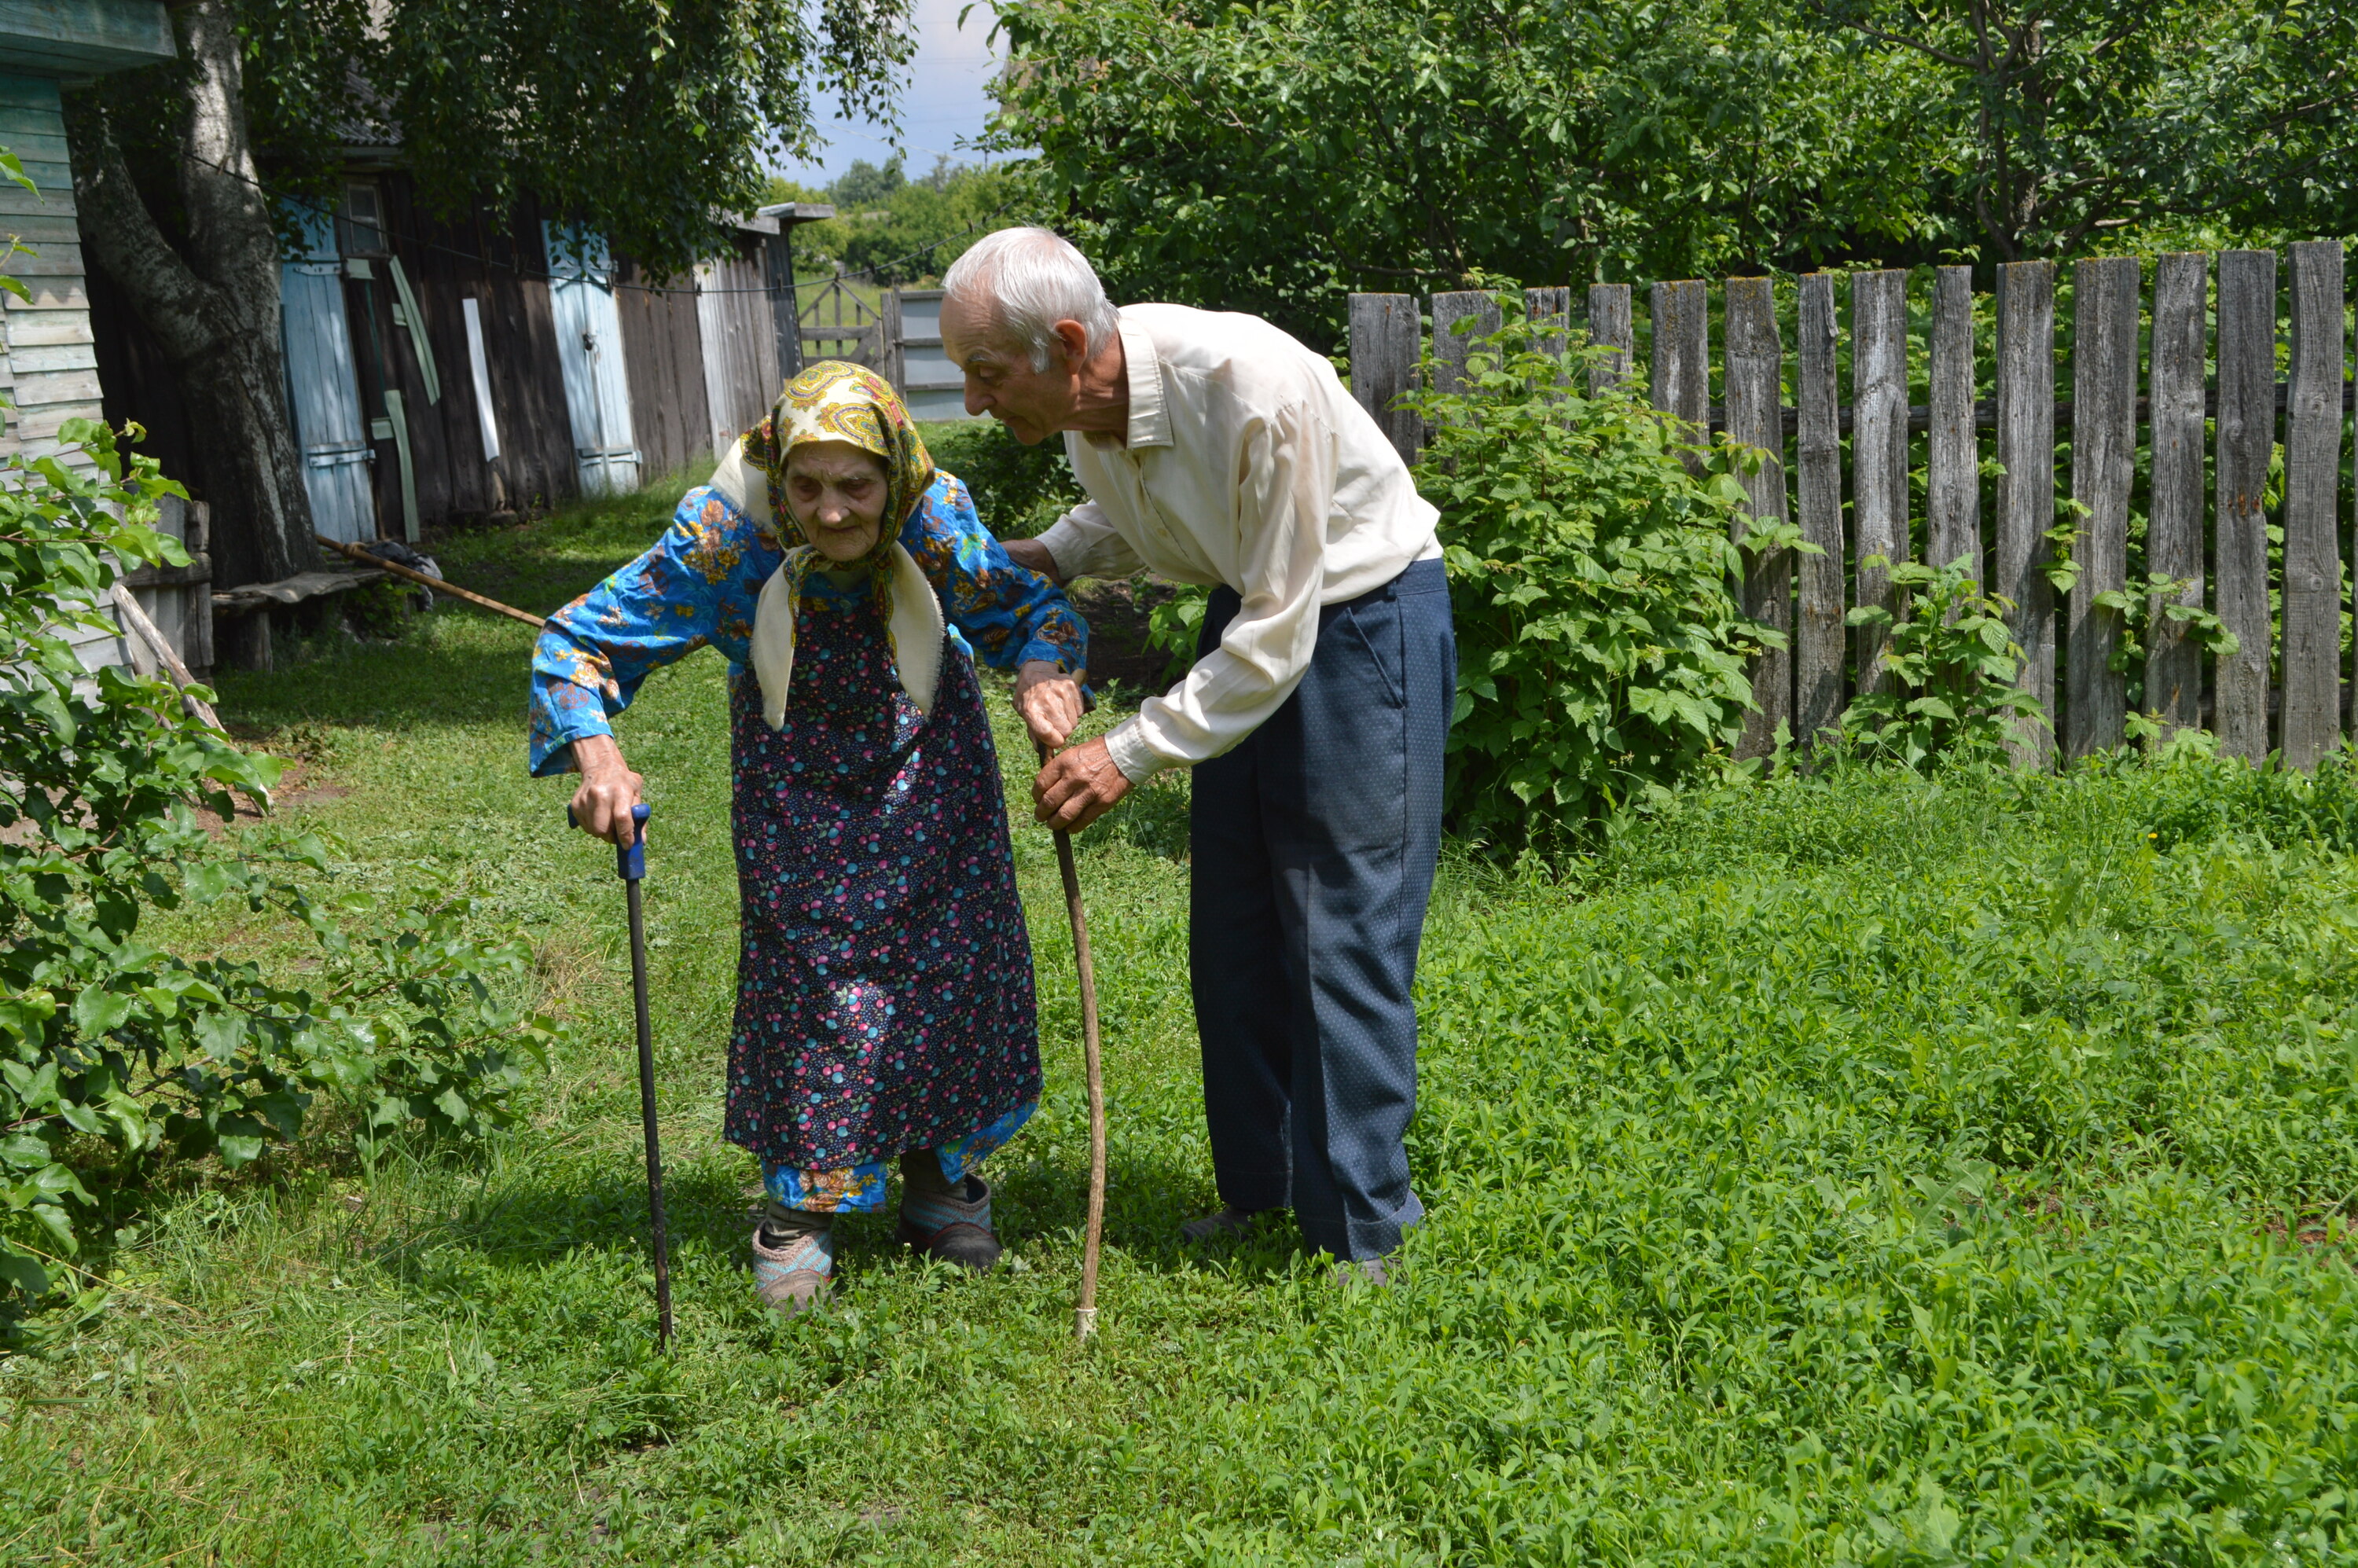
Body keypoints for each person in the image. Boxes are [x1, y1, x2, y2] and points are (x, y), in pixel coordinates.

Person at [939, 229, 1454, 1282]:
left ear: (1067, 341)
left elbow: (1278, 632)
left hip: (1358, 616)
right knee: (1237, 927)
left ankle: (1363, 1228)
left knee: (1339, 924)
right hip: (1257, 609)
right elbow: (1137, 508)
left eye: (988, 374)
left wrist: (1125, 751)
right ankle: (1260, 1188)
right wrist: (1051, 553)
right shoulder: (1093, 403)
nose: (980, 403)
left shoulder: (1250, 386)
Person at [528, 361, 1088, 1314]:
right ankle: (801, 1213)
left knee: (948, 969)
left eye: (855, 487)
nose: (830, 513)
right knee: (813, 985)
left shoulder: (932, 514)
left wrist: (1041, 672)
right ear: (777, 474)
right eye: (808, 486)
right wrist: (600, 764)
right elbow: (576, 645)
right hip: (796, 786)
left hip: (932, 767)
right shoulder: (726, 538)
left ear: (894, 476)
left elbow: (1027, 610)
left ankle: (940, 1187)